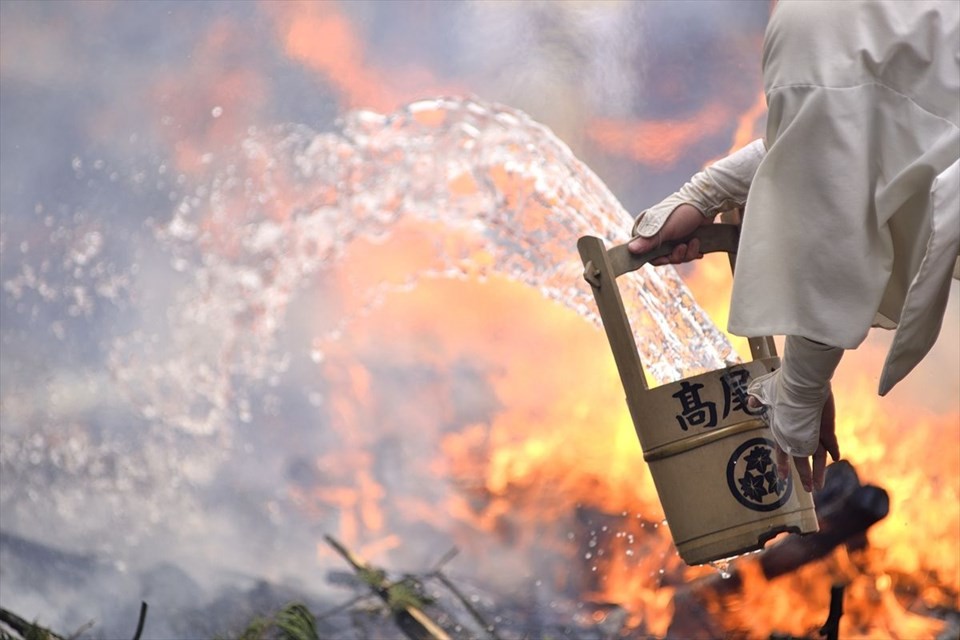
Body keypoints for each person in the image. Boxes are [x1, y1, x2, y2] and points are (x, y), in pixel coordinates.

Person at [627, 0, 959, 493]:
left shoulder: (816, 16)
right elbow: (859, 130)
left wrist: (799, 390)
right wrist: (710, 190)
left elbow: (837, 217)